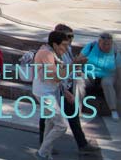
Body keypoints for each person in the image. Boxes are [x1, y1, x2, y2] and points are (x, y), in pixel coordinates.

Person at [39, 24, 100, 155]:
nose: (71, 39)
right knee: (49, 119)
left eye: (72, 36)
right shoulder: (49, 52)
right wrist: (75, 65)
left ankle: (81, 144)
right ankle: (43, 147)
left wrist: (76, 68)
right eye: (69, 36)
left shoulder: (67, 48)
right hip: (54, 89)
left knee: (70, 115)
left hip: (64, 86)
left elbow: (67, 68)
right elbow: (56, 74)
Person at [34, 29, 71, 159]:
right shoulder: (46, 53)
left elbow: (57, 77)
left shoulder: (52, 52)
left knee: (50, 123)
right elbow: (56, 77)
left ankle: (46, 154)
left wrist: (65, 90)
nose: (67, 48)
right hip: (44, 93)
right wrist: (72, 66)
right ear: (55, 44)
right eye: (65, 45)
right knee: (61, 125)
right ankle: (41, 153)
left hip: (49, 91)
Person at [78, 31, 121, 121]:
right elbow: (80, 59)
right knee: (78, 81)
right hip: (89, 74)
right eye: (104, 44)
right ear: (99, 42)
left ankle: (113, 110)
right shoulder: (91, 46)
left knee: (107, 83)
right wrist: (78, 70)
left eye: (109, 44)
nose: (106, 46)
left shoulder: (115, 50)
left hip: (107, 75)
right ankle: (77, 108)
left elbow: (120, 67)